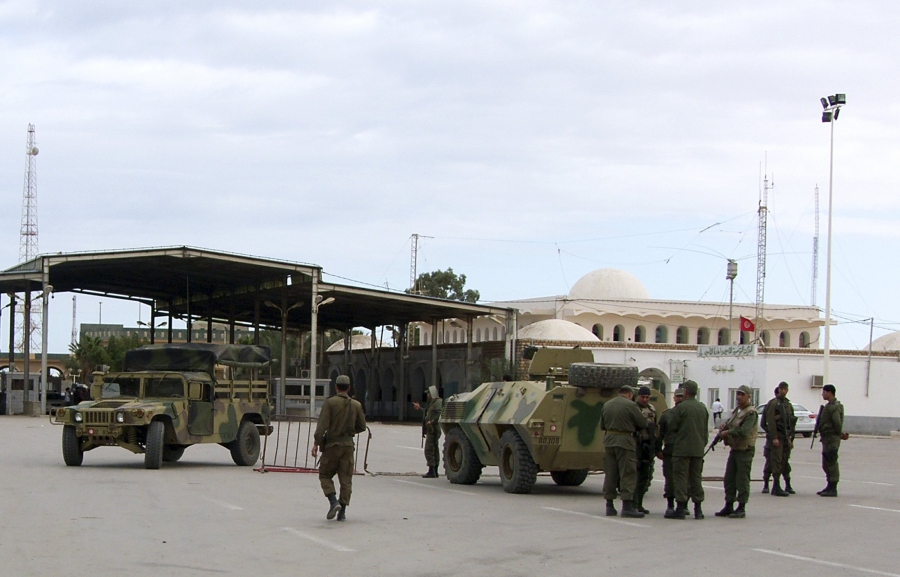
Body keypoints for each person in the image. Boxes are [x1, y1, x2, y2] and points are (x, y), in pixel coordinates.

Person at [312, 375, 367, 521]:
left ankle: (332, 501)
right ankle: (342, 511)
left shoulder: (330, 403)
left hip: (332, 446)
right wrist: (349, 431)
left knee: (324, 475)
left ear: (336, 386)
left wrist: (316, 443)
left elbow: (322, 426)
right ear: (349, 387)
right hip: (348, 446)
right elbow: (362, 426)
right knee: (346, 480)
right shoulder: (356, 405)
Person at [599, 385, 648, 518]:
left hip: (609, 441)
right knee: (627, 472)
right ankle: (627, 506)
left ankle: (609, 506)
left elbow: (602, 425)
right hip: (625, 441)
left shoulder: (607, 405)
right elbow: (643, 423)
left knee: (611, 473)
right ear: (630, 395)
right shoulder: (631, 405)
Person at [665, 380, 709, 520]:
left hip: (682, 450)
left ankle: (681, 508)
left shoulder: (681, 408)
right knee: (696, 478)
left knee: (680, 478)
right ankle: (698, 509)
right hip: (697, 449)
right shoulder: (702, 408)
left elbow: (672, 426)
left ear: (686, 392)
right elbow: (704, 431)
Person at [714, 385, 758, 519]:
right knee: (729, 479)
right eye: (737, 394)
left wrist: (728, 432)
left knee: (742, 479)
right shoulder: (737, 411)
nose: (739, 397)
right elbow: (730, 424)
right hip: (735, 449)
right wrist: (724, 428)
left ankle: (741, 507)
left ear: (748, 396)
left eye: (742, 394)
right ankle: (729, 505)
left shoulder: (750, 413)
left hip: (745, 450)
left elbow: (744, 431)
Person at [762, 381, 795, 497]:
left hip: (785, 437)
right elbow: (769, 421)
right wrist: (774, 436)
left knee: (784, 460)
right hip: (777, 437)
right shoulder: (773, 403)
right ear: (779, 390)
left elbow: (791, 423)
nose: (784, 391)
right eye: (782, 389)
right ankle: (775, 485)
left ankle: (786, 484)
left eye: (786, 389)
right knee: (775, 460)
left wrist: (790, 438)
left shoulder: (788, 405)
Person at [657, 387, 684, 517]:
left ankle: (683, 505)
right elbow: (660, 434)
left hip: (684, 452)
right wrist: (658, 450)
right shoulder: (667, 415)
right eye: (677, 397)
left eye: (681, 397)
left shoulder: (689, 415)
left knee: (685, 480)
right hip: (670, 452)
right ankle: (670, 505)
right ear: (674, 398)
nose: (679, 399)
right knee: (670, 480)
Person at [817, 384, 848, 497]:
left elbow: (837, 423)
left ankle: (833, 487)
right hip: (827, 438)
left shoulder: (834, 407)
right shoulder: (829, 406)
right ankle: (829, 485)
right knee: (826, 463)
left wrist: (840, 434)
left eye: (824, 392)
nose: (822, 394)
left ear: (830, 392)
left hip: (832, 438)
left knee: (831, 461)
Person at [632, 385, 658, 514]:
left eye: (647, 397)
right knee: (634, 476)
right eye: (643, 397)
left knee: (645, 476)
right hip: (636, 445)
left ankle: (639, 504)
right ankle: (633, 504)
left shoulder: (651, 409)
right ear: (638, 397)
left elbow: (655, 428)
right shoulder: (633, 409)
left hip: (647, 446)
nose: (645, 399)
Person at [413, 385, 443, 478]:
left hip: (433, 429)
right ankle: (434, 470)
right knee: (434, 449)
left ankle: (432, 470)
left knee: (429, 450)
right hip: (431, 428)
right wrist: (420, 408)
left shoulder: (437, 402)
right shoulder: (433, 403)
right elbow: (428, 413)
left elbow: (438, 414)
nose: (428, 395)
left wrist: (432, 422)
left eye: (429, 393)